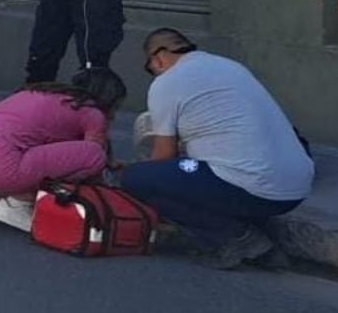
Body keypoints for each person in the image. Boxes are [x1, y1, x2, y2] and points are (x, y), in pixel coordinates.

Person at [121, 29, 314, 270]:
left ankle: (237, 238)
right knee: (193, 170)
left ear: (158, 57)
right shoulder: (231, 66)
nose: (154, 73)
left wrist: (136, 168)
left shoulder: (166, 84)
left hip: (248, 187)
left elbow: (163, 157)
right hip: (296, 188)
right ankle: (255, 228)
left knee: (138, 178)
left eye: (150, 68)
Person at [0, 68, 126, 228]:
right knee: (94, 155)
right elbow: (93, 161)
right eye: (115, 108)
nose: (114, 115)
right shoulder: (92, 112)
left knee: (29, 146)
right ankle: (18, 203)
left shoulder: (39, 91)